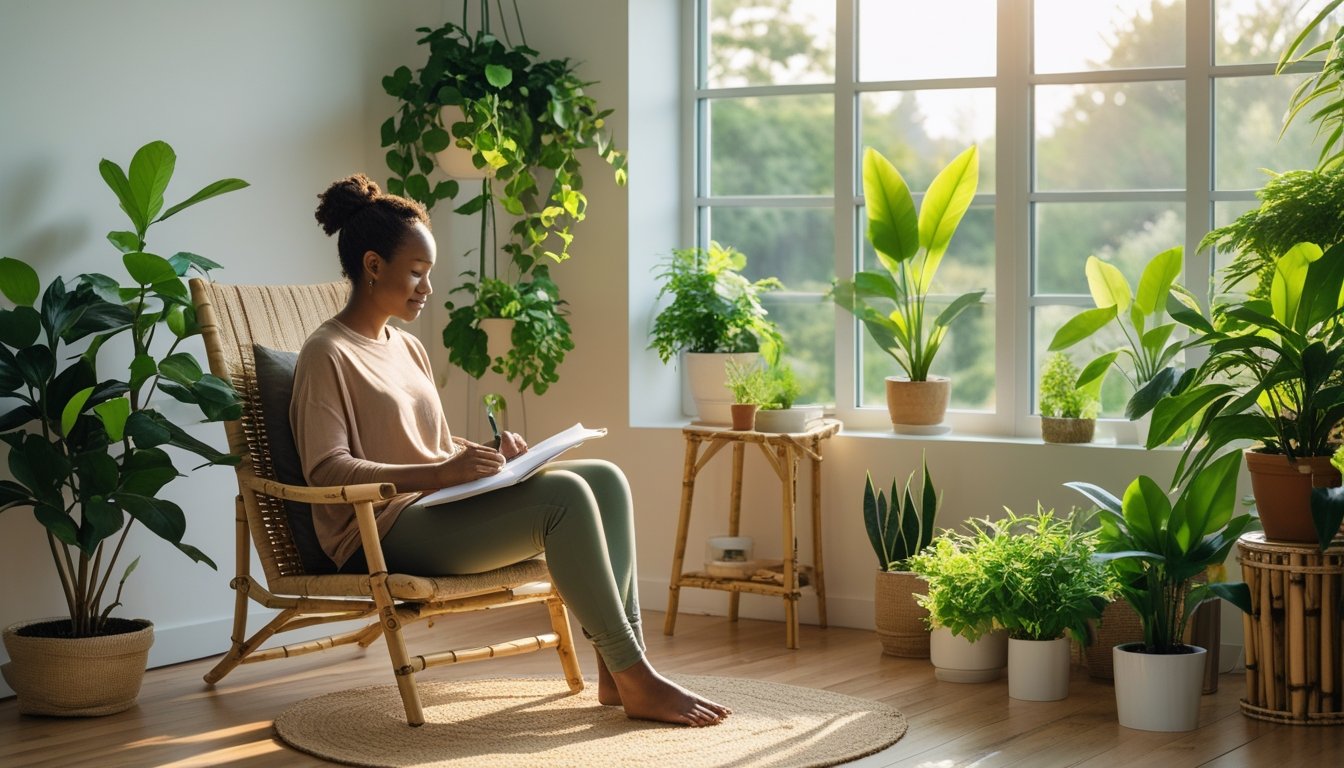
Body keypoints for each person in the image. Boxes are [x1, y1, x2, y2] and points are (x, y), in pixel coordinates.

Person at [290, 174, 730, 727]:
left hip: (431, 508)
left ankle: (618, 674)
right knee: (564, 496)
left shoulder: (405, 345)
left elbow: (429, 442)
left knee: (605, 479)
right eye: (417, 274)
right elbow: (327, 468)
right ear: (373, 266)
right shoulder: (325, 353)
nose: (427, 288)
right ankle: (638, 677)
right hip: (379, 531)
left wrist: (486, 452)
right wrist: (442, 474)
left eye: (430, 275)